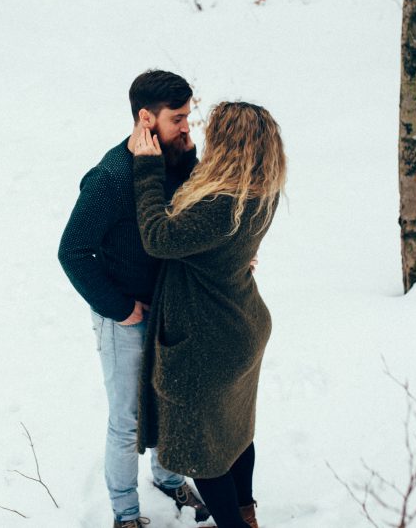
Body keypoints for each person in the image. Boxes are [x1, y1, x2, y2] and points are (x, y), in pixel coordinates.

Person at [58, 71, 210, 528]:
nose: (187, 127)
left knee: (170, 402)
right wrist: (119, 308)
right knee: (127, 421)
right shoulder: (110, 178)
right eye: (178, 118)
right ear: (146, 118)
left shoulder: (179, 158)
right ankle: (125, 514)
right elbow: (72, 251)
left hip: (169, 307)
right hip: (123, 315)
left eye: (189, 116)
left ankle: (167, 478)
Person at [131, 101, 286, 528]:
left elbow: (158, 238)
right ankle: (245, 511)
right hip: (242, 324)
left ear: (227, 146)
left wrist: (147, 170)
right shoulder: (261, 190)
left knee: (203, 450)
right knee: (235, 431)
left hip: (208, 341)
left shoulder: (220, 205)